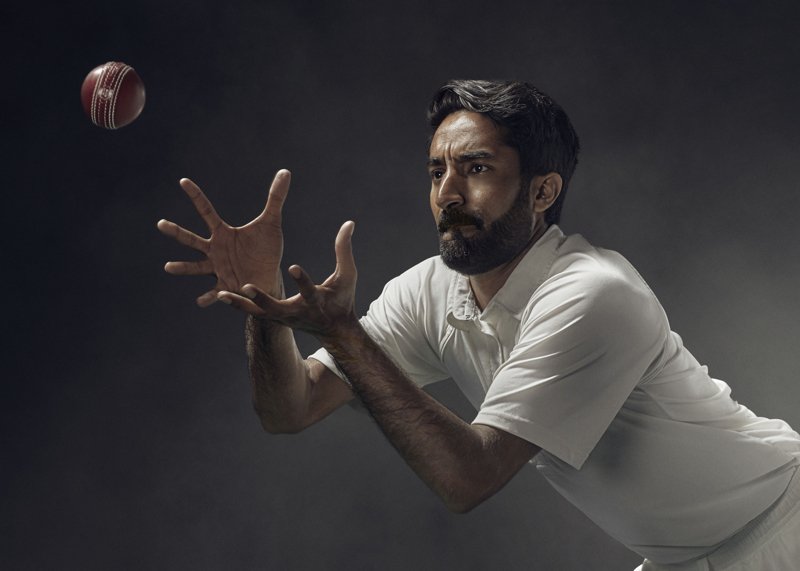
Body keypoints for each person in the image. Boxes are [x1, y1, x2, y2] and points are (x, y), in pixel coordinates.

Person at [158, 80, 800, 570]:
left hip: (781, 527)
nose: (448, 192)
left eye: (477, 168)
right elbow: (289, 409)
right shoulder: (429, 290)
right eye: (437, 170)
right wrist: (262, 300)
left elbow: (468, 477)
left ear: (543, 193)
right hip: (681, 558)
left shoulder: (592, 292)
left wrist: (345, 335)